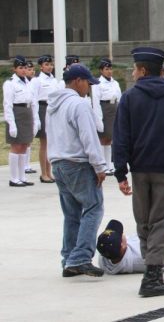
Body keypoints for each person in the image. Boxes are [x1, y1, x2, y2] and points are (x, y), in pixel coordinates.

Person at [113, 47, 164, 298]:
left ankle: (150, 273)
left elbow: (121, 138)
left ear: (142, 70)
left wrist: (120, 172)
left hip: (139, 171)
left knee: (145, 223)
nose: (133, 72)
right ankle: (153, 275)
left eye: (135, 68)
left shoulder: (129, 98)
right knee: (162, 223)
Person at [46, 64, 106, 278]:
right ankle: (80, 257)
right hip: (78, 163)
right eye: (88, 83)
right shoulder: (79, 105)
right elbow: (89, 138)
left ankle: (69, 258)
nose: (88, 88)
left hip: (58, 163)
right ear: (78, 81)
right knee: (94, 208)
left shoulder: (52, 105)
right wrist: (100, 166)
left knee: (71, 214)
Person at [4, 56, 38, 187]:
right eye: (20, 68)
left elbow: (33, 101)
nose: (23, 70)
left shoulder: (29, 82)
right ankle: (14, 178)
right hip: (17, 113)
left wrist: (36, 120)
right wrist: (11, 123)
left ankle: (22, 176)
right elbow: (7, 104)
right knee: (16, 146)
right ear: (14, 69)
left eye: (25, 68)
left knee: (24, 145)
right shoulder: (10, 83)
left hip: (27, 112)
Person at [30, 55, 59, 183]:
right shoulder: (37, 81)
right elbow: (34, 99)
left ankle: (49, 171)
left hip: (53, 109)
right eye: (46, 65)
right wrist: (36, 118)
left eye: (51, 65)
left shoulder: (54, 80)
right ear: (41, 66)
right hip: (42, 108)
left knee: (51, 143)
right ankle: (43, 173)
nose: (49, 67)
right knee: (44, 143)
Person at [91, 58, 122, 175]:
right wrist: (98, 119)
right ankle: (103, 164)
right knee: (104, 138)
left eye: (110, 69)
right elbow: (96, 102)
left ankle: (109, 164)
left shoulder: (115, 83)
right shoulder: (97, 84)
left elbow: (119, 97)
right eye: (106, 69)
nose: (109, 71)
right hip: (104, 109)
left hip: (114, 108)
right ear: (101, 71)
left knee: (111, 138)